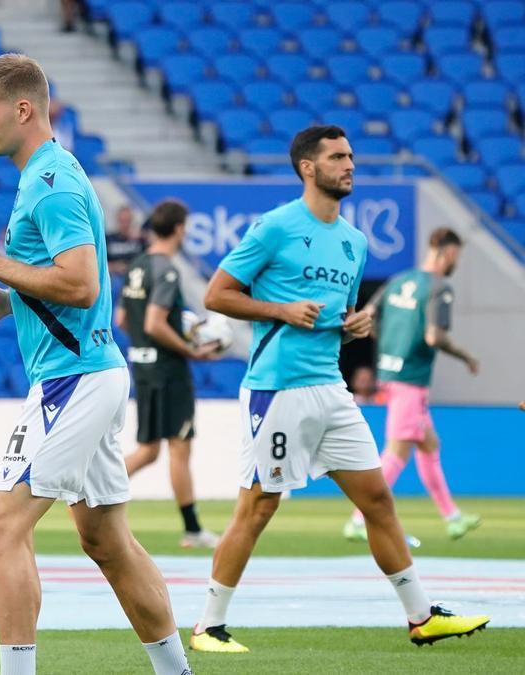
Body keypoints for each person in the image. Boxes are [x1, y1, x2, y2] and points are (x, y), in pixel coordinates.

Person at [189, 125, 488, 654]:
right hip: (277, 389)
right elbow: (218, 294)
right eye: (337, 157)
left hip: (331, 387)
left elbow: (341, 313)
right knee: (258, 505)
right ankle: (208, 626)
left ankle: (421, 617)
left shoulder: (355, 242)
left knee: (378, 499)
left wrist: (355, 325)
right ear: (308, 167)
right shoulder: (275, 227)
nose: (349, 165)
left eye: (350, 157)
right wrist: (279, 309)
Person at [0, 54, 190, 675]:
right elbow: (67, 283)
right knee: (106, 540)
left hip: (72, 378)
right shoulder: (46, 176)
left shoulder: (51, 183)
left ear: (24, 109)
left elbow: (79, 284)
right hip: (89, 370)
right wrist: (8, 302)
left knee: (2, 527)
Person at [343, 228, 482, 542]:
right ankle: (357, 519)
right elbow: (435, 337)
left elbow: (368, 316)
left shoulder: (399, 280)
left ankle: (453, 518)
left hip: (391, 374)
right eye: (456, 256)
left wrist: (390, 344)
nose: (455, 263)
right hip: (411, 381)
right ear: (447, 252)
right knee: (395, 452)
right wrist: (468, 357)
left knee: (429, 444)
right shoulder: (439, 287)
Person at [116, 199, 221, 549]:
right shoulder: (167, 269)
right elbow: (154, 323)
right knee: (179, 448)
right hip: (168, 370)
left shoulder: (137, 265)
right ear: (179, 228)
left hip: (142, 364)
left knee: (148, 450)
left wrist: (146, 344)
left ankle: (89, 496)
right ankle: (192, 529)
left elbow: (123, 320)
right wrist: (190, 348)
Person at [105, 204, 145, 279]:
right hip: (113, 279)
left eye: (127, 221)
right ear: (117, 220)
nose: (125, 225)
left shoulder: (141, 240)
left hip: (136, 278)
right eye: (122, 221)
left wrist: (143, 235)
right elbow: (99, 264)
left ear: (132, 221)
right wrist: (115, 267)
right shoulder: (109, 239)